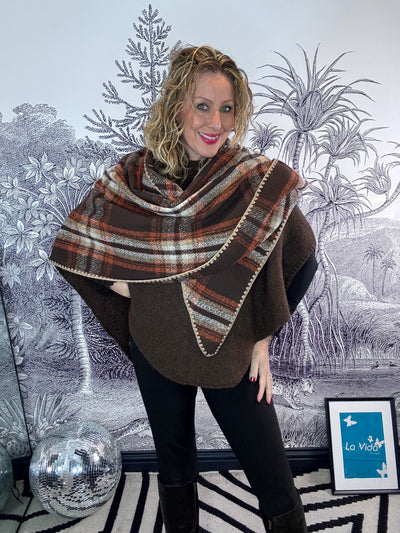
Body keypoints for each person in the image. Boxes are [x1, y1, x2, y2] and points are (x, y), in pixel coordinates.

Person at [50, 45, 317, 532]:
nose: (216, 122)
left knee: (272, 478)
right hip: (156, 346)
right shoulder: (131, 178)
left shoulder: (252, 180)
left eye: (227, 108)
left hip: (230, 351)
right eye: (203, 106)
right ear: (177, 107)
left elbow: (303, 258)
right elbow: (76, 248)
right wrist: (131, 288)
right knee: (174, 468)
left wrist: (262, 339)